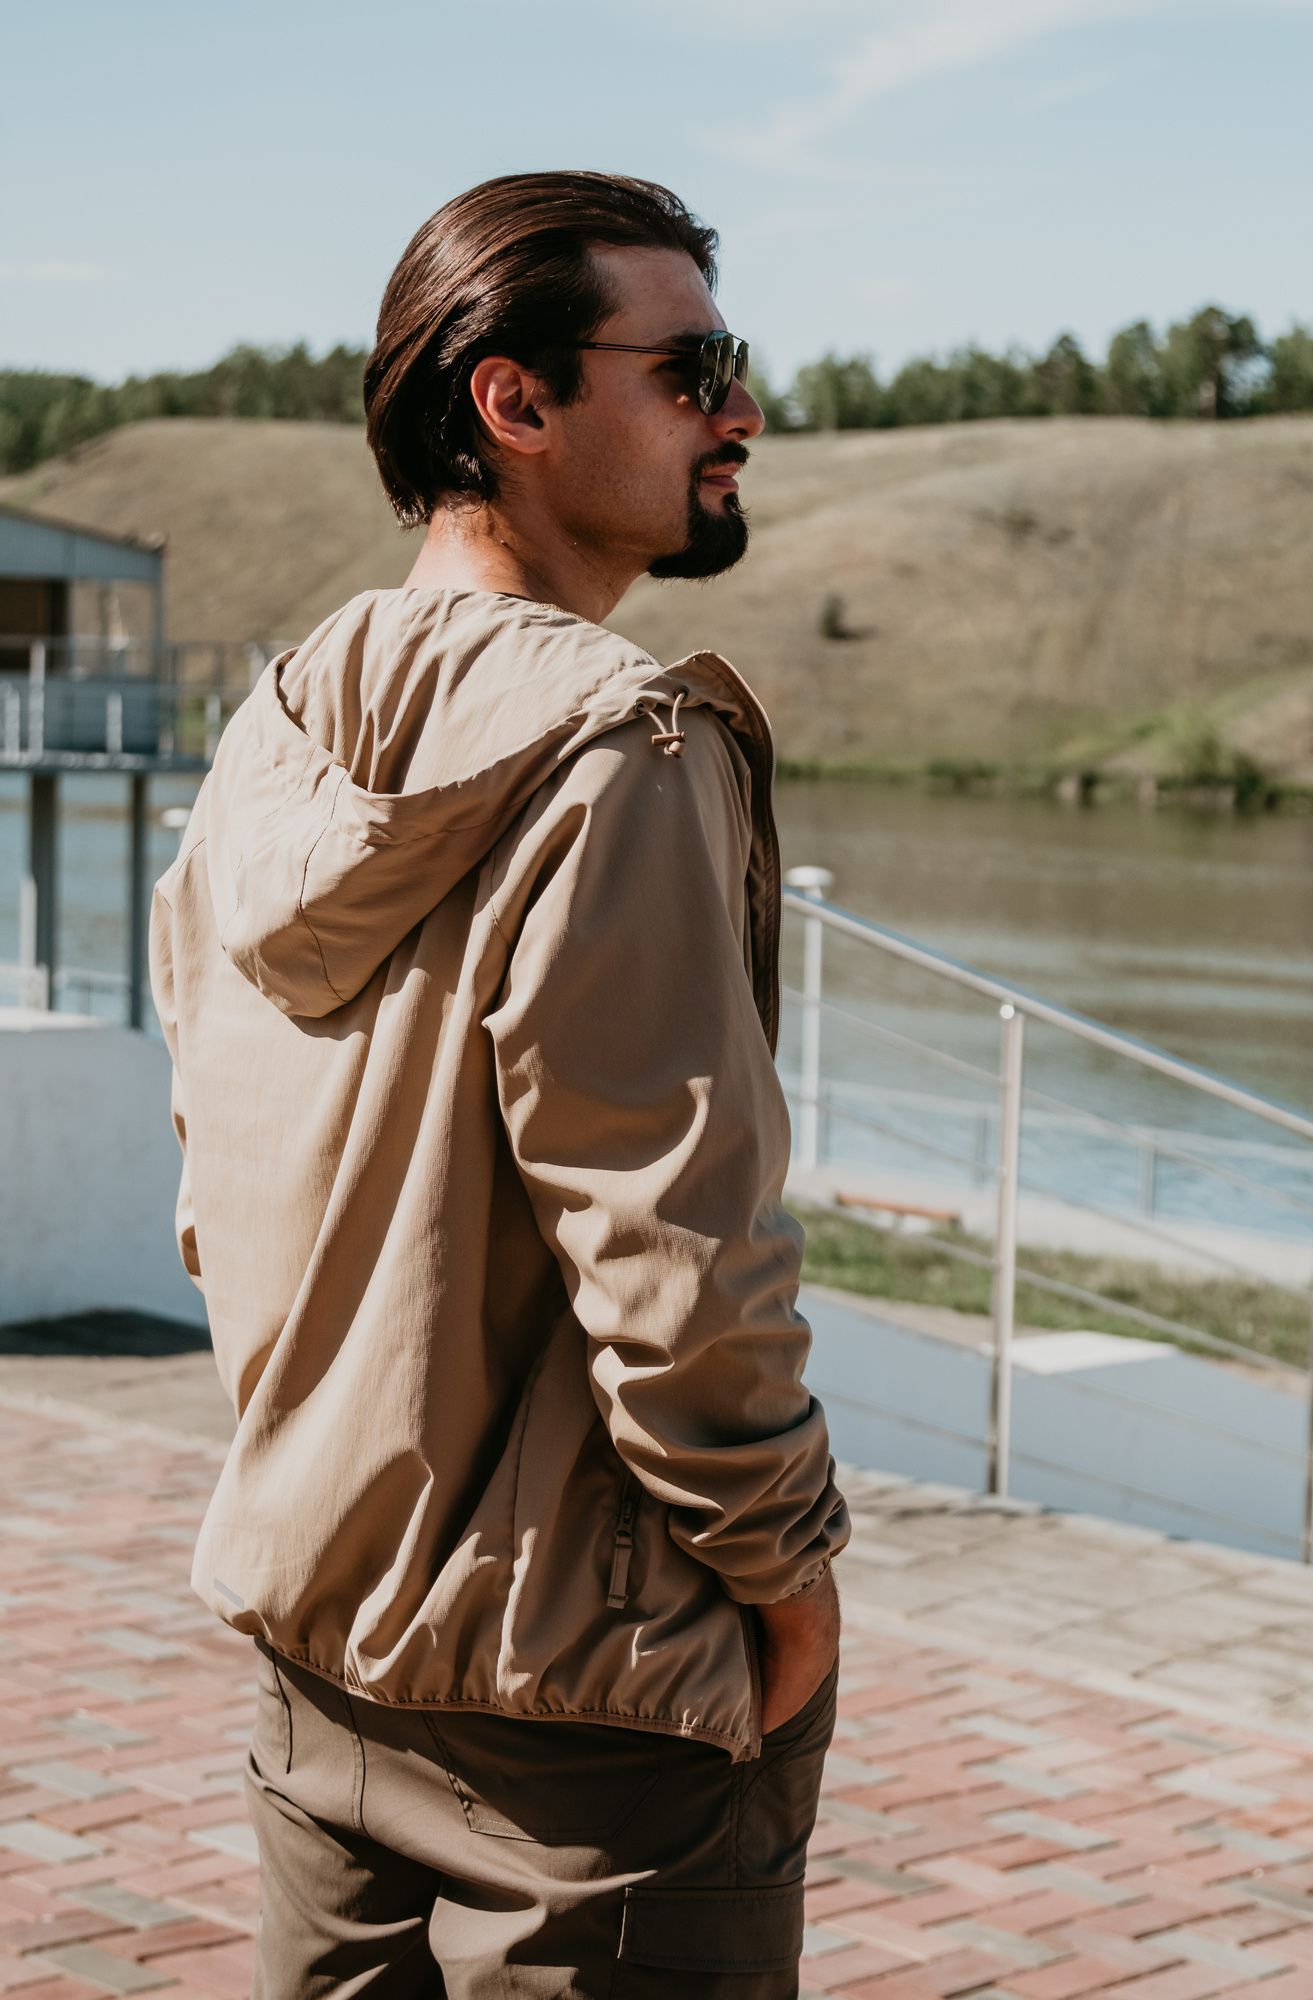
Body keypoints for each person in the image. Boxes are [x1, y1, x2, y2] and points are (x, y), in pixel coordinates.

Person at [149, 170, 850, 2000]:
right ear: (514, 402)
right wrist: (788, 1583)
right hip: (588, 1719)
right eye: (690, 369)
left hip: (319, 1653)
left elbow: (215, 1185)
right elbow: (672, 1251)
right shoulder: (626, 748)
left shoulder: (272, 731)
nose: (738, 414)